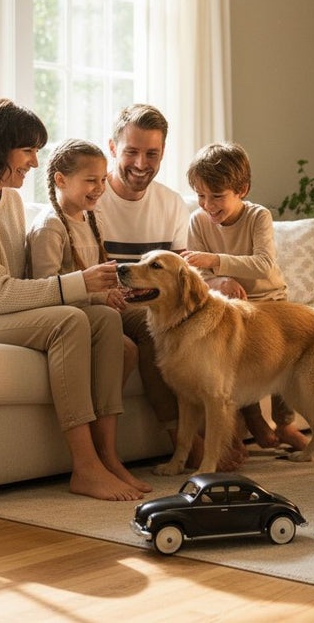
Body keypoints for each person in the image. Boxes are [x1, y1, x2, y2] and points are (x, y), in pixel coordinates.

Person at [0, 99, 143, 501]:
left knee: (106, 321)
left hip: (5, 313)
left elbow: (20, 282)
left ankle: (108, 457)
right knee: (69, 321)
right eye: (28, 151)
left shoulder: (10, 198)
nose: (35, 163)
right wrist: (81, 283)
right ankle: (86, 467)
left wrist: (93, 292)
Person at [96, 104, 242, 471]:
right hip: (109, 302)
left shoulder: (172, 204)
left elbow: (181, 274)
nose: (141, 164)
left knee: (229, 314)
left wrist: (217, 281)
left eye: (152, 154)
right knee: (152, 330)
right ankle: (186, 440)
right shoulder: (93, 199)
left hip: (154, 302)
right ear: (113, 150)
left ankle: (243, 430)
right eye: (131, 152)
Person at [26, 137, 151, 495]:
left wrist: (117, 290)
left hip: (94, 307)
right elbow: (45, 288)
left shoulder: (90, 218)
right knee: (123, 347)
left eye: (102, 179)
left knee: (146, 329)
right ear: (61, 180)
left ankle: (108, 455)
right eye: (90, 180)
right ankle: (103, 456)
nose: (99, 188)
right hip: (69, 311)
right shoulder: (50, 226)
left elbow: (97, 273)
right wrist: (99, 296)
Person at [181, 142, 311, 453]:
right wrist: (220, 279)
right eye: (200, 196)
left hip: (269, 301)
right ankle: (253, 417)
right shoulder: (197, 221)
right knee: (233, 358)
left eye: (216, 196)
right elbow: (196, 276)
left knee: (281, 358)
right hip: (228, 305)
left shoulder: (257, 217)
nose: (208, 205)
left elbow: (263, 264)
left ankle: (285, 423)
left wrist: (214, 261)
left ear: (242, 189)